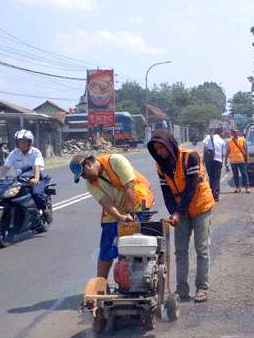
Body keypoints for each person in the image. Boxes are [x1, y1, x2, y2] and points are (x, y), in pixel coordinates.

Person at [147, 129, 215, 303]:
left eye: (162, 148)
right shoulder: (160, 166)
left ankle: (202, 288)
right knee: (180, 251)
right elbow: (166, 193)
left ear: (169, 144)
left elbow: (191, 188)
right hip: (180, 210)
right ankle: (181, 289)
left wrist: (179, 212)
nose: (160, 152)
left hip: (200, 206)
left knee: (202, 249)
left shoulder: (190, 157)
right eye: (156, 149)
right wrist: (173, 213)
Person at [69, 153, 155, 280]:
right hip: (117, 209)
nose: (84, 177)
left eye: (83, 174)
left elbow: (129, 187)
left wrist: (130, 214)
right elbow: (106, 203)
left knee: (137, 244)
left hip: (137, 201)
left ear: (88, 165)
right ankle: (101, 285)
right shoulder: (90, 184)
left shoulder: (115, 161)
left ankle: (141, 277)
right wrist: (120, 217)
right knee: (106, 247)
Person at [2, 130, 49, 217]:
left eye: (24, 142)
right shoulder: (14, 153)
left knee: (36, 194)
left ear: (30, 142)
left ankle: (44, 209)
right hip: (20, 178)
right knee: (8, 194)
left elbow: (36, 166)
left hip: (36, 176)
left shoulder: (35, 152)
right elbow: (6, 167)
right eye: (19, 142)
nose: (22, 144)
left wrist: (36, 179)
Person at [202, 128, 227, 201]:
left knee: (211, 177)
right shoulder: (222, 141)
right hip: (218, 161)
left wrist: (203, 160)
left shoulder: (208, 137)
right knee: (216, 178)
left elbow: (205, 148)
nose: (224, 134)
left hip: (209, 160)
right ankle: (215, 195)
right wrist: (222, 163)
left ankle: (211, 194)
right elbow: (223, 154)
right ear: (220, 132)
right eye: (223, 132)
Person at [227, 128, 250, 193]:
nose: (235, 133)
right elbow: (228, 151)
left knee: (244, 174)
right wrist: (226, 159)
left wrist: (247, 159)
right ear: (232, 133)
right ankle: (237, 188)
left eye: (236, 132)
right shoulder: (229, 141)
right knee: (235, 175)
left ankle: (247, 188)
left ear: (238, 132)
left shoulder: (242, 140)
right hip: (233, 161)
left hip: (241, 160)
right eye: (233, 132)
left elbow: (246, 149)